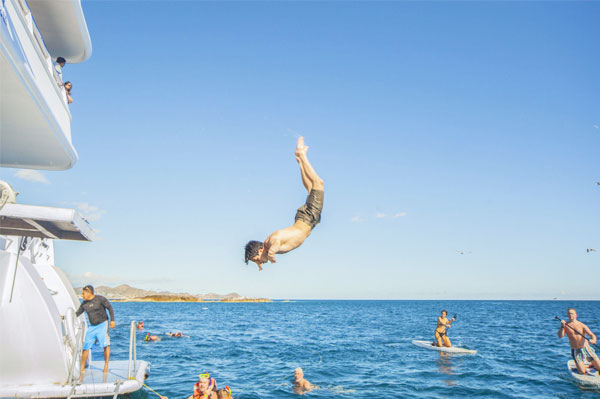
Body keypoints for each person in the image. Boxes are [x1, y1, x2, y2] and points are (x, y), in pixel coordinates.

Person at [244, 137, 324, 271]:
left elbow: (276, 243)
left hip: (308, 218)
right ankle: (300, 163)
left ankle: (302, 155)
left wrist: (271, 253)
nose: (260, 262)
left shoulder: (271, 243)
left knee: (318, 183)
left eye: (257, 260)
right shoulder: (265, 246)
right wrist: (260, 263)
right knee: (311, 188)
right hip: (307, 220)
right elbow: (266, 252)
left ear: (260, 250)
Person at [75, 285, 115, 375]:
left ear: (89, 292)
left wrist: (112, 320)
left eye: (83, 293)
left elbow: (110, 308)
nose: (82, 295)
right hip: (92, 327)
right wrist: (66, 317)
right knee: (86, 347)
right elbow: (77, 313)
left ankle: (106, 365)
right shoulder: (84, 303)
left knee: (106, 345)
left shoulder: (100, 299)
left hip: (103, 325)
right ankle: (82, 368)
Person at [558, 308, 600, 375]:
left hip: (586, 349)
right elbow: (560, 336)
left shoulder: (581, 325)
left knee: (599, 368)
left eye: (572, 313)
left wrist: (593, 340)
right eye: (569, 313)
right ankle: (584, 366)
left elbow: (592, 335)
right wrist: (562, 326)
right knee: (582, 372)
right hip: (576, 350)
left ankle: (593, 364)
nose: (570, 315)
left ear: (576, 315)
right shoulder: (565, 325)